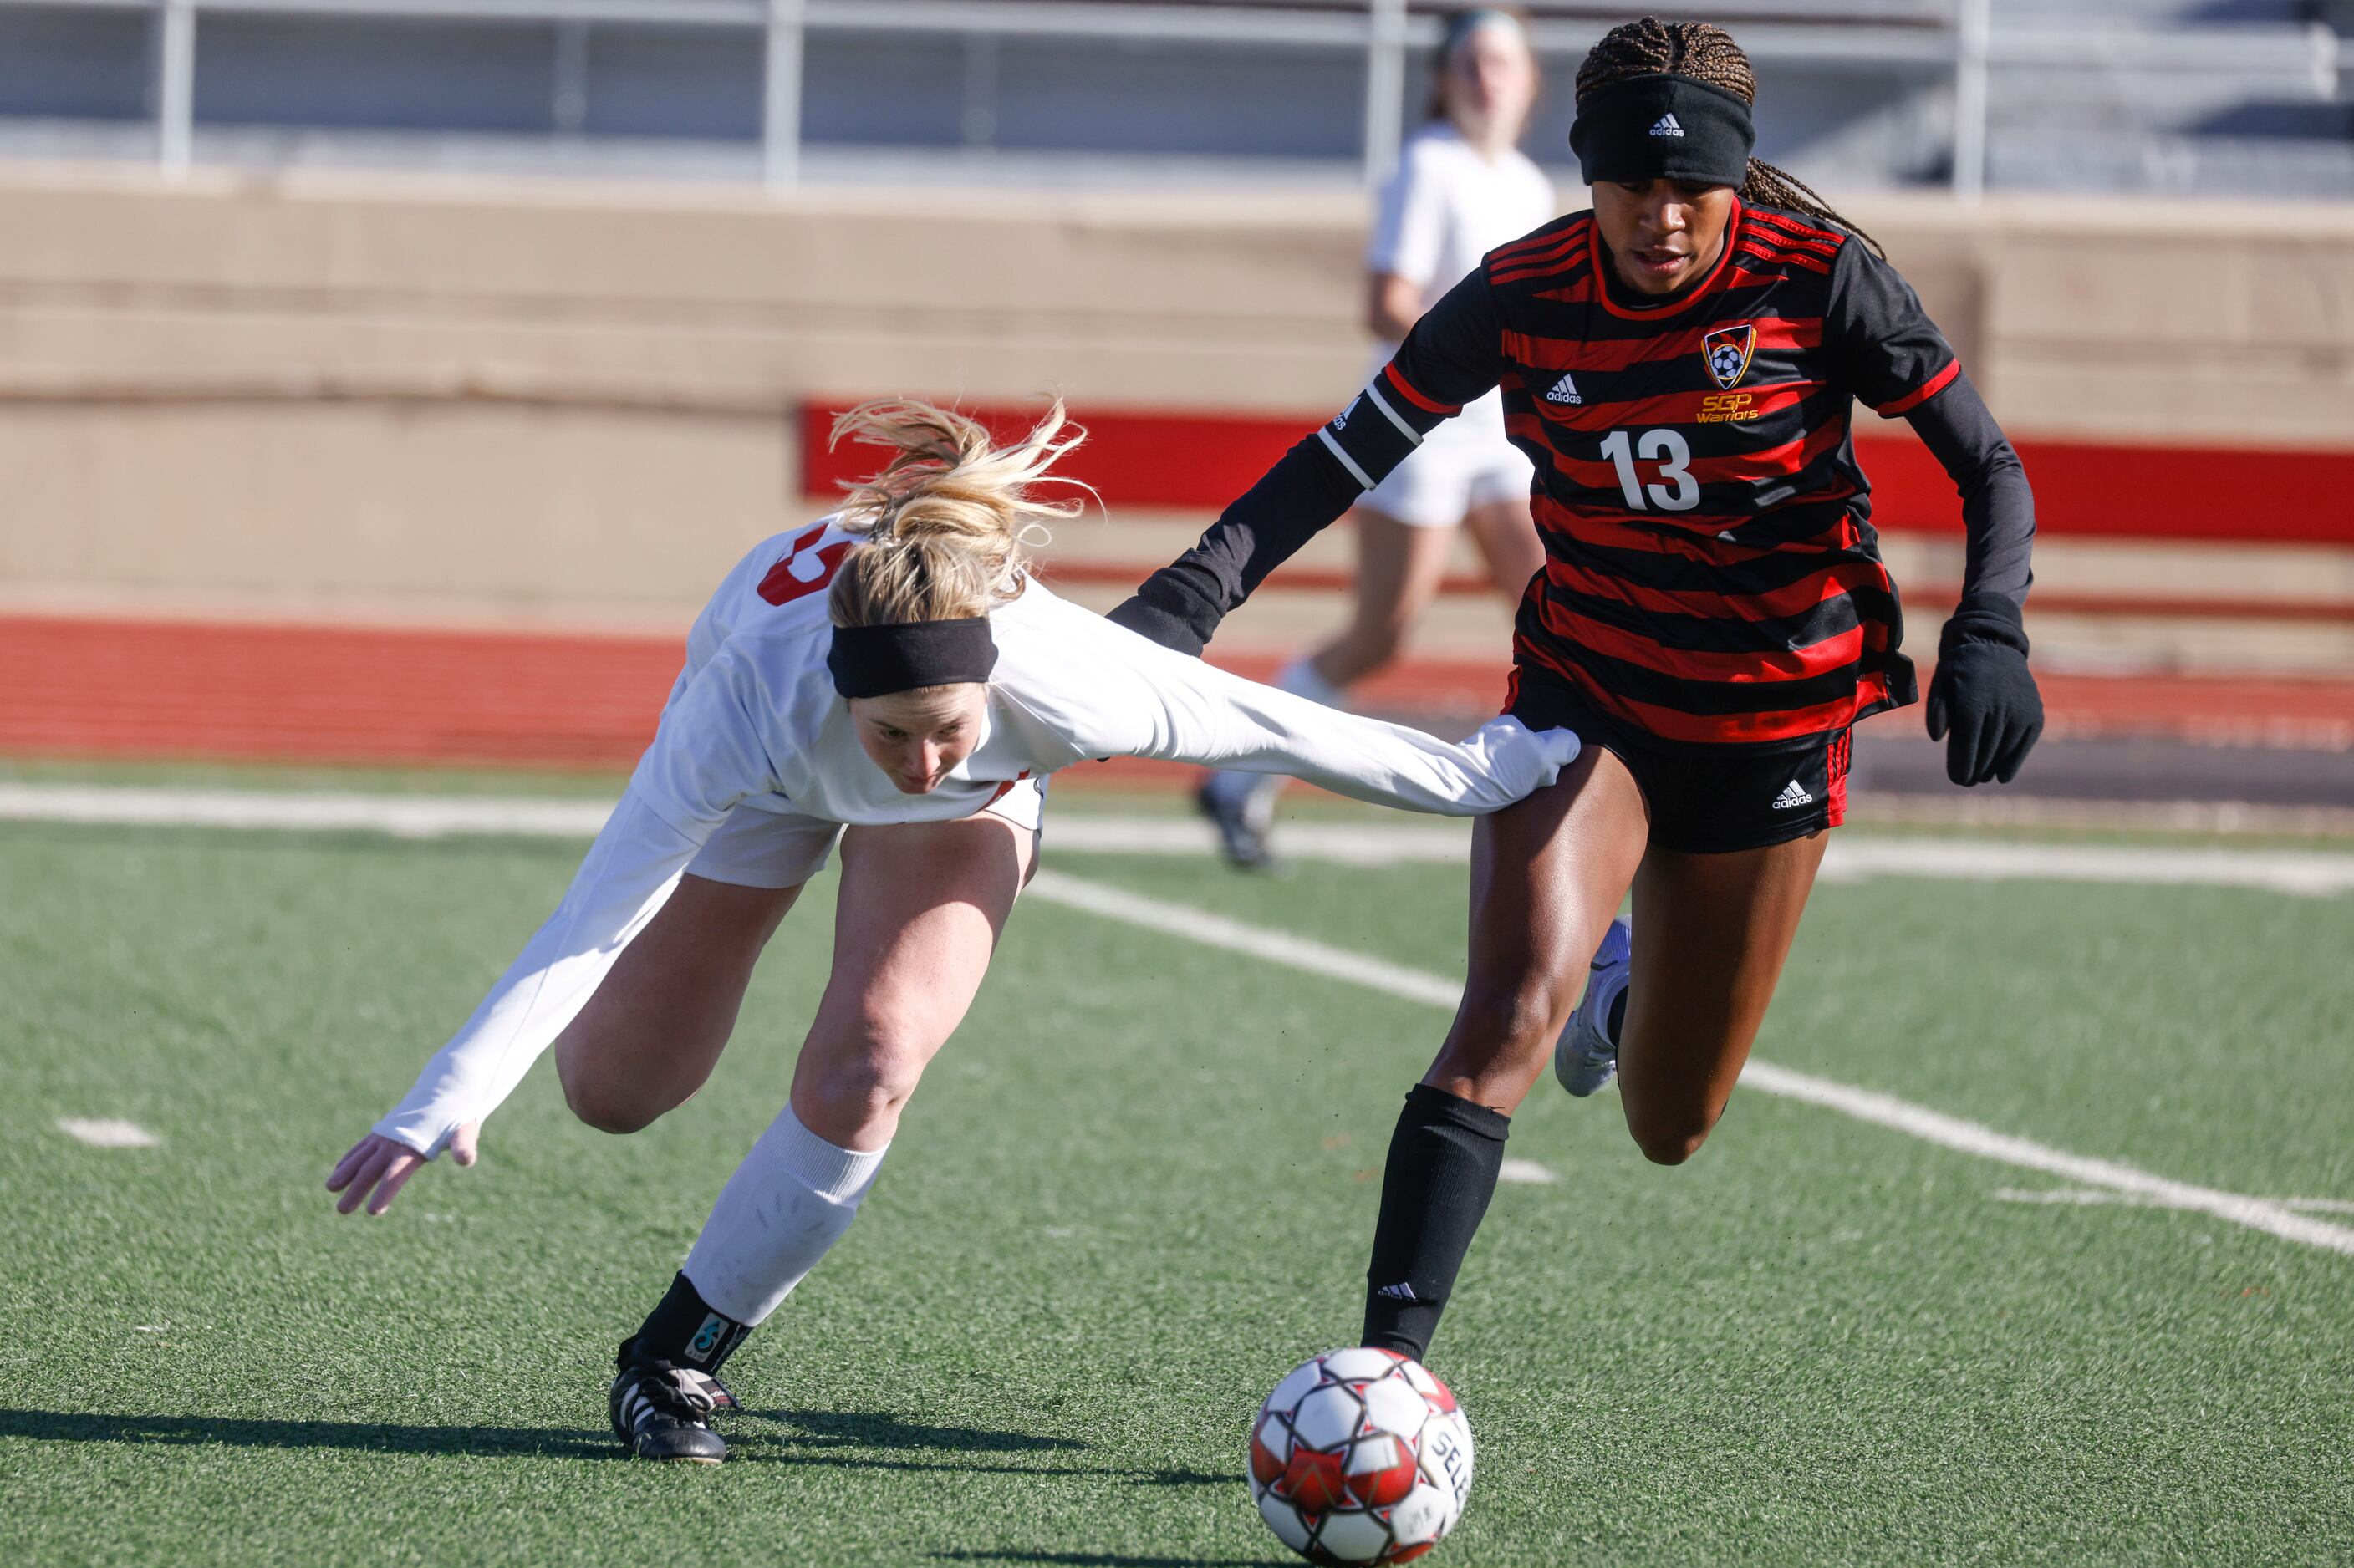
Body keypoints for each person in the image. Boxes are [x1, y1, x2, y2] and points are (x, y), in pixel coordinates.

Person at [323, 400, 1580, 1463]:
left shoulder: (1059, 680)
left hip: (987, 802)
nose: (923, 761)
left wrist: (1500, 767)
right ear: (839, 689)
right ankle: (647, 1180)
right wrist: (452, 1092)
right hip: (773, 790)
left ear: (991, 685)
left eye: (949, 726)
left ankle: (674, 1357)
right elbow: (597, 908)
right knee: (613, 1088)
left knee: (871, 1059)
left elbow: (1291, 730)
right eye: (896, 736)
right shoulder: (746, 702)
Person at [1109, 18, 2043, 1364]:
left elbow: (1990, 464)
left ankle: (1621, 986)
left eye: (1690, 191)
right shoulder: (1522, 291)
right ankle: (1387, 1370)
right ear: (1587, 175)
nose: (1661, 220)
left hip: (1771, 725)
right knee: (1498, 1017)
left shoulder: (1825, 280)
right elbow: (1344, 451)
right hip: (1587, 691)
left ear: (1738, 176)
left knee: (1671, 1122)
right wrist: (1186, 600)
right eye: (1629, 189)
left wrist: (1991, 625)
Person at [1199, 7, 1557, 869]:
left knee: (1553, 601)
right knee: (1382, 633)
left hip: (1496, 434)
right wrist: (1471, 362)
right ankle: (1236, 777)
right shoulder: (1426, 166)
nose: (1486, 79)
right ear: (1441, 79)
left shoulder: (1529, 183)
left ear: (1530, 80)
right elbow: (1385, 302)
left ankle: (1561, 778)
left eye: (1502, 63)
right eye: (1470, 63)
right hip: (1420, 426)